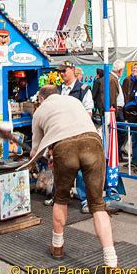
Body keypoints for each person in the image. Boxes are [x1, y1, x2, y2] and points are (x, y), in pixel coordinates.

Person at [29, 84, 118, 274]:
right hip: (92, 144)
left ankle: (58, 246)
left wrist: (39, 156)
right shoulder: (73, 101)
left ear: (42, 99)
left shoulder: (40, 111)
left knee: (60, 199)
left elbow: (35, 150)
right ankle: (111, 262)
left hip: (65, 148)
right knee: (97, 205)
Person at [47, 61, 94, 214]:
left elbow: (88, 113)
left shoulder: (83, 89)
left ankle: (85, 200)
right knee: (59, 166)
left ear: (72, 70)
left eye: (64, 71)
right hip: (60, 134)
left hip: (78, 134)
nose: (61, 74)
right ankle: (58, 196)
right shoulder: (57, 90)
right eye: (59, 71)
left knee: (80, 168)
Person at [101, 59, 128, 161]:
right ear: (120, 70)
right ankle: (116, 154)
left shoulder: (113, 78)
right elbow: (112, 97)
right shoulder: (112, 79)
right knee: (121, 132)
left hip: (117, 110)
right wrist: (113, 112)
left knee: (120, 132)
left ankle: (117, 154)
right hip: (115, 111)